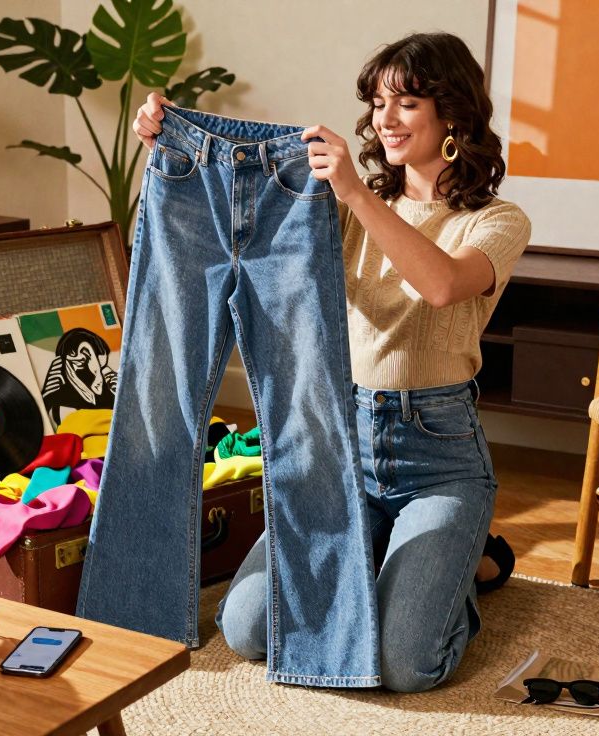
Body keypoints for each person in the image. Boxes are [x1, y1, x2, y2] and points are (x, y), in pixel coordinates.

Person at [130, 31, 530, 692]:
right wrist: (173, 145)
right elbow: (240, 208)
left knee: (406, 664)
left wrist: (357, 195)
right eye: (378, 103)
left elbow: (440, 285)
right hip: (340, 448)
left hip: (440, 460)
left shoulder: (496, 220)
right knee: (248, 628)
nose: (385, 119)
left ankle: (469, 563)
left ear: (453, 115)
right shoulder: (335, 206)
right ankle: (398, 553)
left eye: (406, 103)